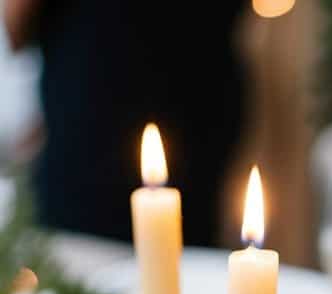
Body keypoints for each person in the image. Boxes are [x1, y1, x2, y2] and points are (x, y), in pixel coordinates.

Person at [4, 0, 246, 244]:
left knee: (89, 256)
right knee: (182, 248)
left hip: (98, 106)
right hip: (205, 95)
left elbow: (16, 27)